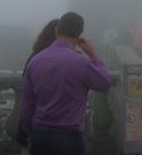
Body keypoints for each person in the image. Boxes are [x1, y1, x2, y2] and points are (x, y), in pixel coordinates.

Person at [19, 12, 111, 155]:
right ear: (79, 34)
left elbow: (26, 105)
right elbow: (104, 83)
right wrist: (93, 55)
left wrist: (31, 133)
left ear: (57, 30)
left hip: (39, 135)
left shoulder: (35, 61)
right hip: (68, 138)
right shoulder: (81, 63)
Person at [16, 19, 59, 149]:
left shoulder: (35, 56)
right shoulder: (62, 60)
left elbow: (27, 95)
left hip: (33, 125)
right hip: (49, 128)